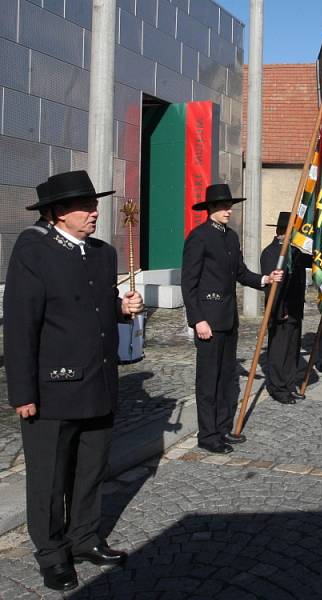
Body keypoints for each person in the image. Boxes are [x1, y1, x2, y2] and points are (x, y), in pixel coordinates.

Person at [4, 170, 144, 592]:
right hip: (53, 388)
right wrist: (23, 392)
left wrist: (122, 307)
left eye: (94, 204)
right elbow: (20, 326)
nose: (94, 212)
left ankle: (84, 538)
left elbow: (95, 305)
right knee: (48, 479)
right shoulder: (34, 250)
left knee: (90, 470)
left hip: (98, 382)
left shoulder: (100, 253)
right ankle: (52, 553)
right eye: (84, 206)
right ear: (56, 214)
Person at [182, 184, 283, 453]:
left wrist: (265, 279)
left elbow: (241, 272)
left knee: (227, 378)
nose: (229, 211)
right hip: (208, 320)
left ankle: (224, 427)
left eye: (230, 206)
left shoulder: (230, 237)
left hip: (228, 317)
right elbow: (188, 283)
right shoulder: (199, 237)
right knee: (208, 381)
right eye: (224, 207)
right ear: (211, 209)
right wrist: (197, 319)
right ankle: (208, 434)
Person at [260, 212, 311, 404]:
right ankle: (277, 387)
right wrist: (279, 310)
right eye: (292, 231)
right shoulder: (270, 253)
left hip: (295, 309)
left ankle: (290, 384)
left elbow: (313, 260)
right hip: (280, 311)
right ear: (281, 231)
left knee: (292, 350)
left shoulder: (294, 252)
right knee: (279, 351)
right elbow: (272, 287)